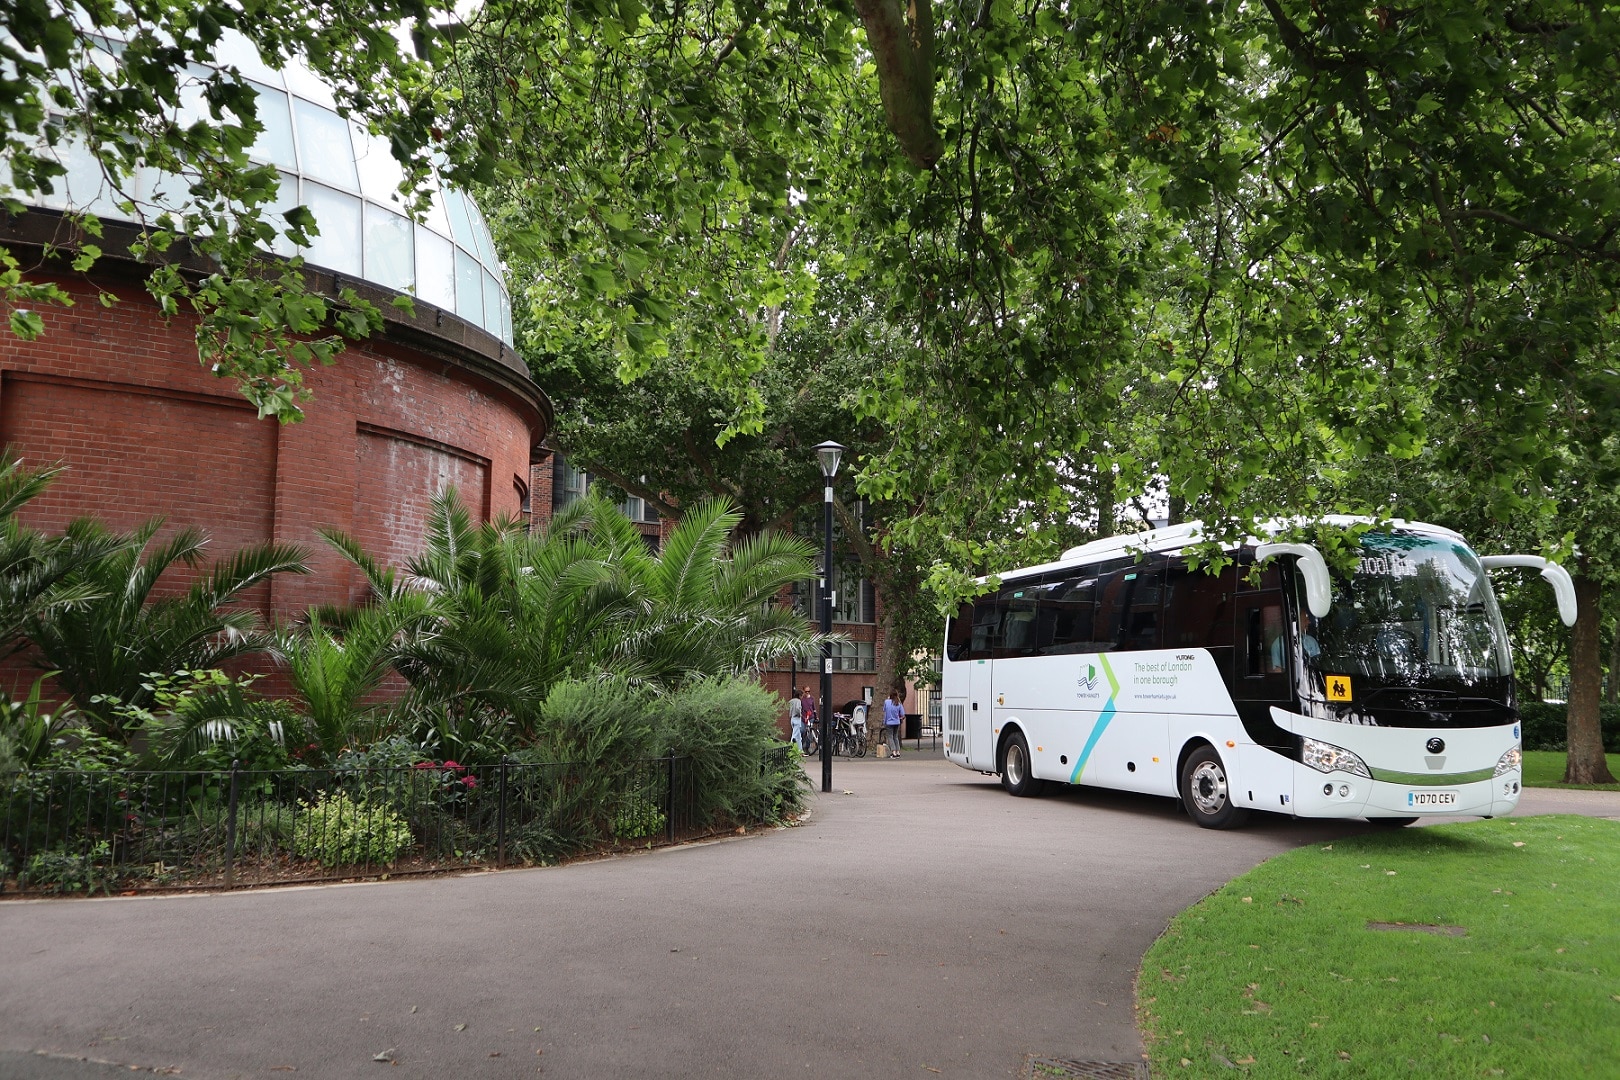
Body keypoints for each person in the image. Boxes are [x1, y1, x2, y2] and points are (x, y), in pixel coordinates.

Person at [882, 690, 904, 760]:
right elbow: (903, 714)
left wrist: (884, 722)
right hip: (897, 722)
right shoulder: (898, 703)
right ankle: (898, 752)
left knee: (890, 737)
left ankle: (893, 752)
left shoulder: (886, 702)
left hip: (889, 722)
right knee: (895, 737)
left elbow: (884, 711)